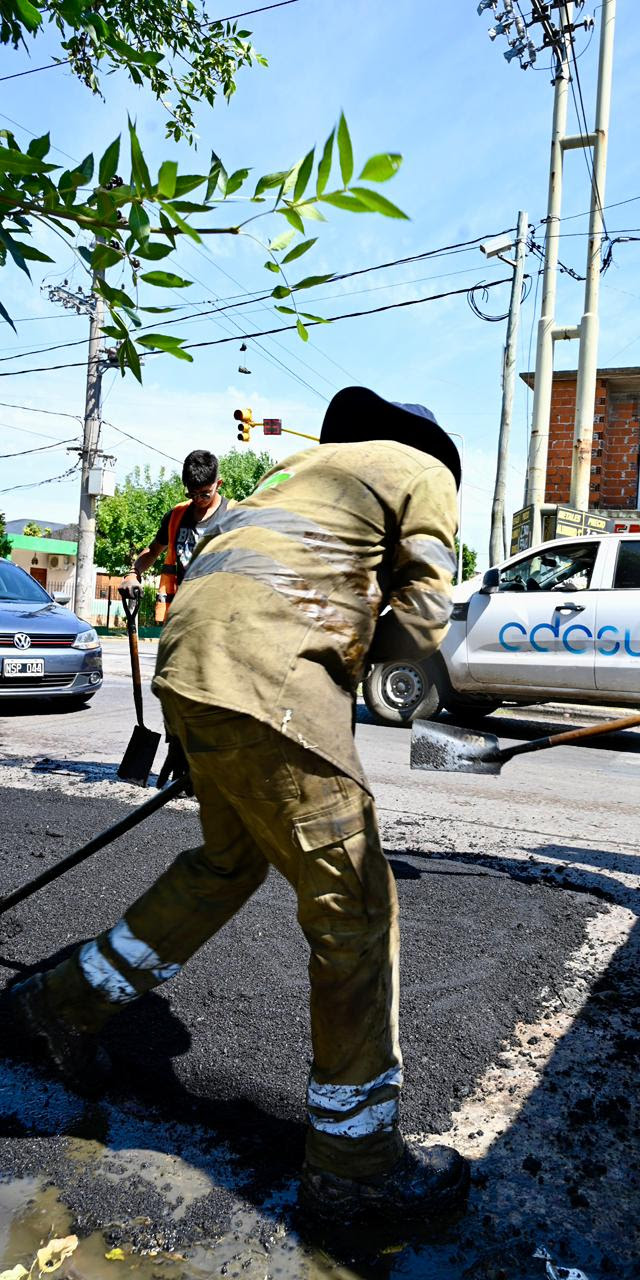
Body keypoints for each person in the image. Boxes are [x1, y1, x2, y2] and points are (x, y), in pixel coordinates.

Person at [1, 388, 469, 1225]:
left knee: (225, 862)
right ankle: (356, 1168)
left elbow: (223, 573)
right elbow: (425, 612)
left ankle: (58, 1005)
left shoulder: (291, 469)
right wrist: (367, 675)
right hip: (271, 680)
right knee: (353, 910)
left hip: (194, 669)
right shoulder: (420, 469)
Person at [121, 449, 230, 622]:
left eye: (205, 494)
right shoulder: (176, 516)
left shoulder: (234, 515)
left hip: (222, 618)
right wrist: (133, 574)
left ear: (219, 484)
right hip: (182, 616)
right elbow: (152, 551)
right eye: (192, 494)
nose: (198, 499)